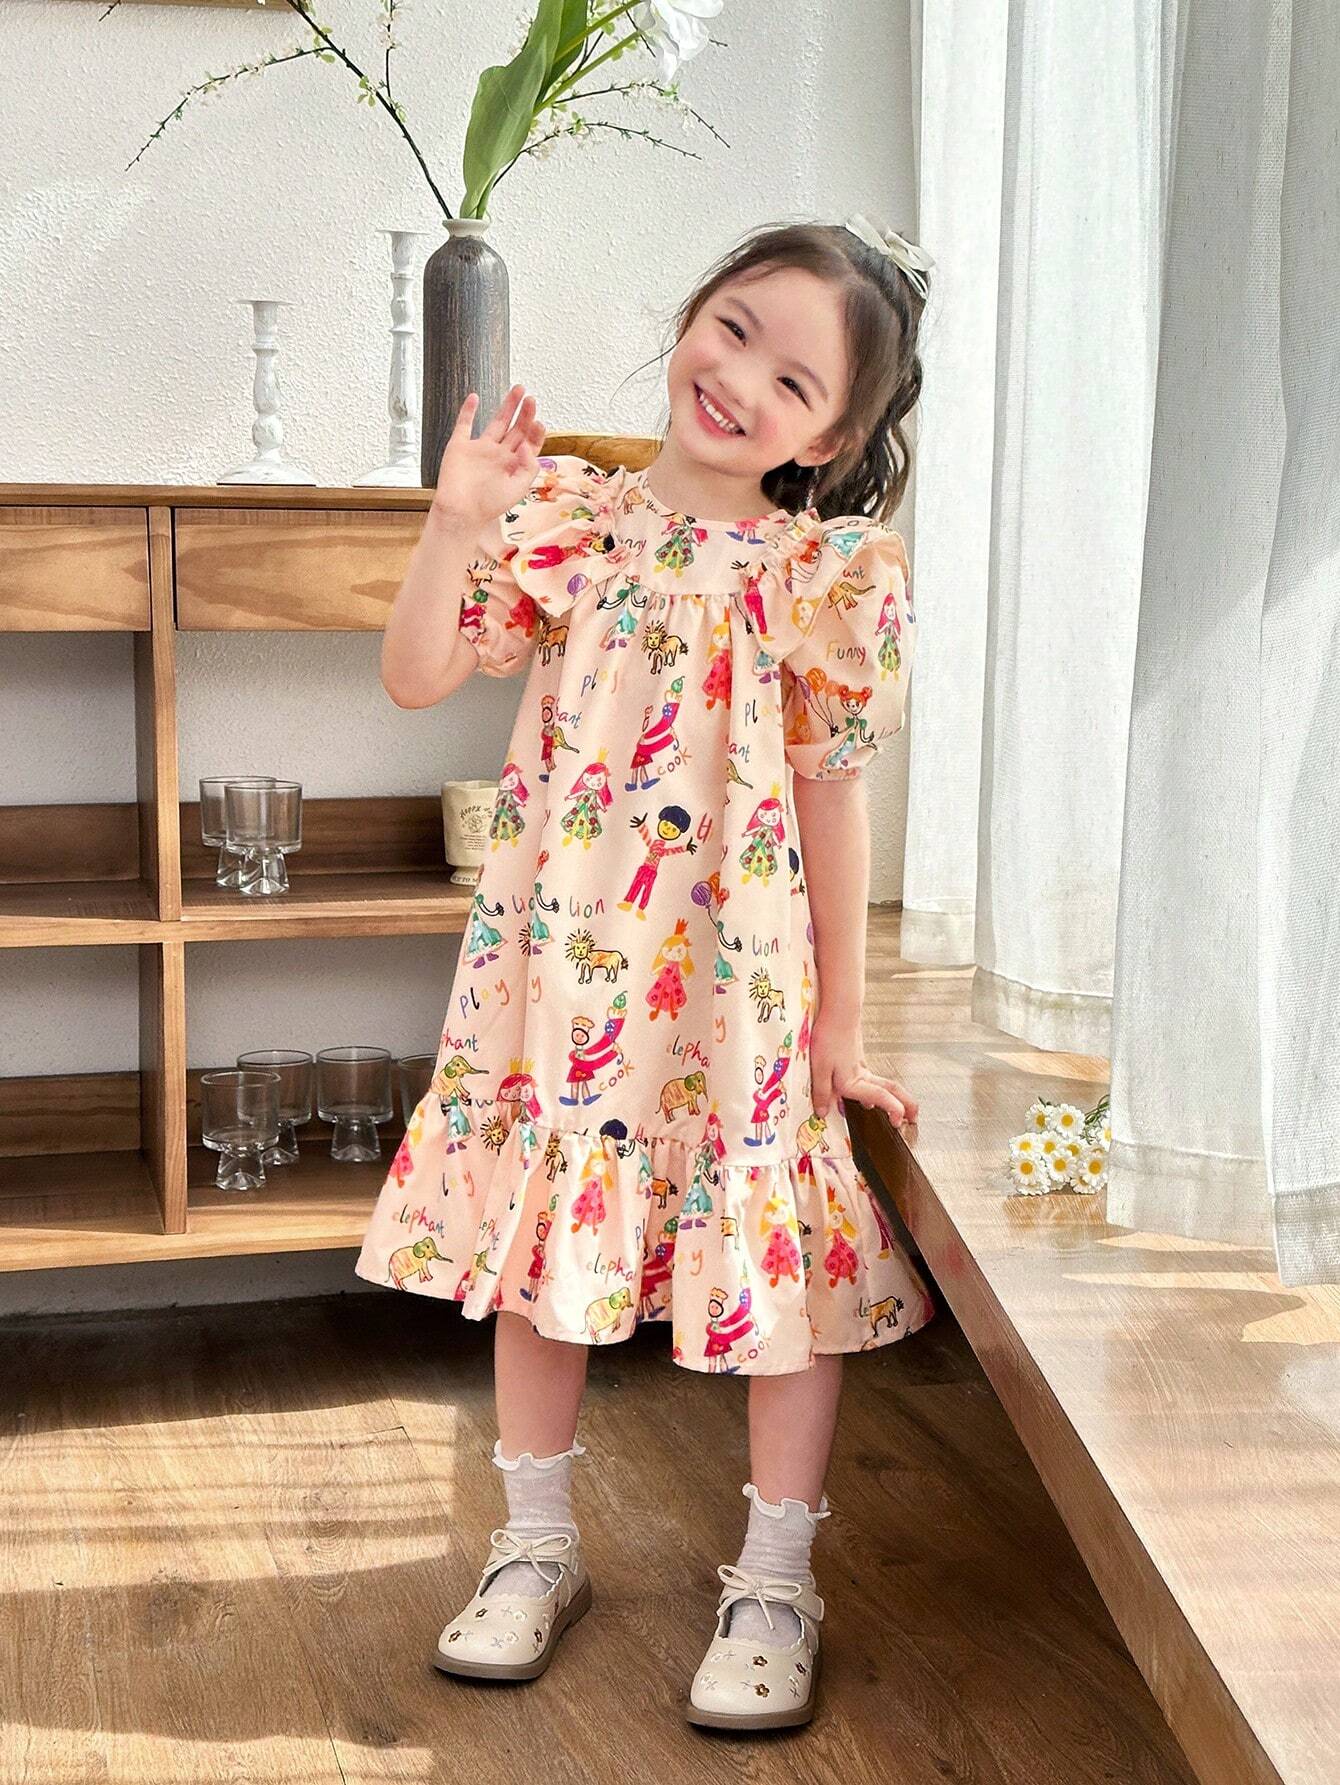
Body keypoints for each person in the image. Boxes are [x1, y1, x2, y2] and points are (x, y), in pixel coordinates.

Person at [356, 214, 938, 1732]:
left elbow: (832, 800)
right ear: (692, 313)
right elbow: (418, 675)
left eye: (795, 382)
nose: (741, 381)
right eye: (734, 329)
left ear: (834, 438)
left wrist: (844, 1024)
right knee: (544, 1247)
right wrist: (454, 520)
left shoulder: (823, 578)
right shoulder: (568, 517)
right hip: (564, 969)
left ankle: (777, 1579)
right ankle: (535, 1544)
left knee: (781, 1262)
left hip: (743, 985)